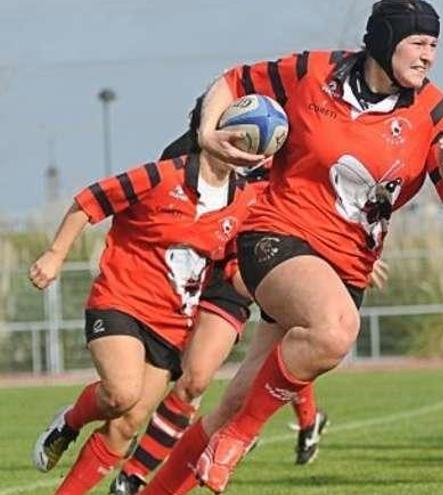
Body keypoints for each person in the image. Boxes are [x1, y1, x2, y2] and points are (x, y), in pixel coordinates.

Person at [142, 1, 443, 492]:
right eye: (419, 43)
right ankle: (238, 440)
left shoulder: (436, 111)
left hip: (347, 267)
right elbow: (233, 81)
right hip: (276, 233)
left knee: (236, 399)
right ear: (385, 41)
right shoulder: (314, 72)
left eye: (434, 45)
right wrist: (209, 135)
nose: (429, 56)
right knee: (336, 329)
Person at [28, 102, 263, 494]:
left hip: (173, 324)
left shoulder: (244, 202)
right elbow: (91, 200)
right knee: (121, 393)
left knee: (126, 425)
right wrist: (54, 255)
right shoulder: (161, 176)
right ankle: (70, 420)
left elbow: (233, 268)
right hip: (122, 301)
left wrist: (273, 290)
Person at [106, 103, 334, 495]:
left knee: (195, 381)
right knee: (136, 396)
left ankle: (132, 478)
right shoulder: (187, 155)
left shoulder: (281, 171)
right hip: (190, 273)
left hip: (233, 279)